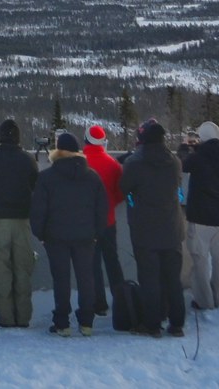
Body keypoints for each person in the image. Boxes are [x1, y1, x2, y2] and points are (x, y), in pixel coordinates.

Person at [29, 131, 106, 337]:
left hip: (56, 237)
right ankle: (87, 322)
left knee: (61, 280)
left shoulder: (46, 177)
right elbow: (101, 209)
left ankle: (62, 322)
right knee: (86, 278)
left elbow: (38, 210)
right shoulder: (92, 177)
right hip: (86, 236)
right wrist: (97, 233)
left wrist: (41, 234)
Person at [120, 119, 186, 338]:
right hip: (172, 227)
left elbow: (124, 188)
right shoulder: (175, 162)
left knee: (149, 279)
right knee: (172, 279)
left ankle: (152, 324)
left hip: (145, 230)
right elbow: (177, 187)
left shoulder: (135, 163)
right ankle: (177, 323)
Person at [0, 118, 38, 328]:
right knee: (23, 267)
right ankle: (23, 316)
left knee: (1, 267)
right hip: (22, 219)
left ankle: (5, 316)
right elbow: (34, 186)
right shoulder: (28, 160)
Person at [182, 121, 219, 312]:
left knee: (200, 262)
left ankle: (204, 301)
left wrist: (186, 147)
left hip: (200, 217)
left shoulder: (198, 157)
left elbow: (183, 165)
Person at [83, 124, 127, 316]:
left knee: (92, 264)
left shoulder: (81, 163)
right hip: (109, 221)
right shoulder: (112, 164)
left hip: (87, 223)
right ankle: (122, 300)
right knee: (112, 262)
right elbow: (121, 193)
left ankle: (98, 303)